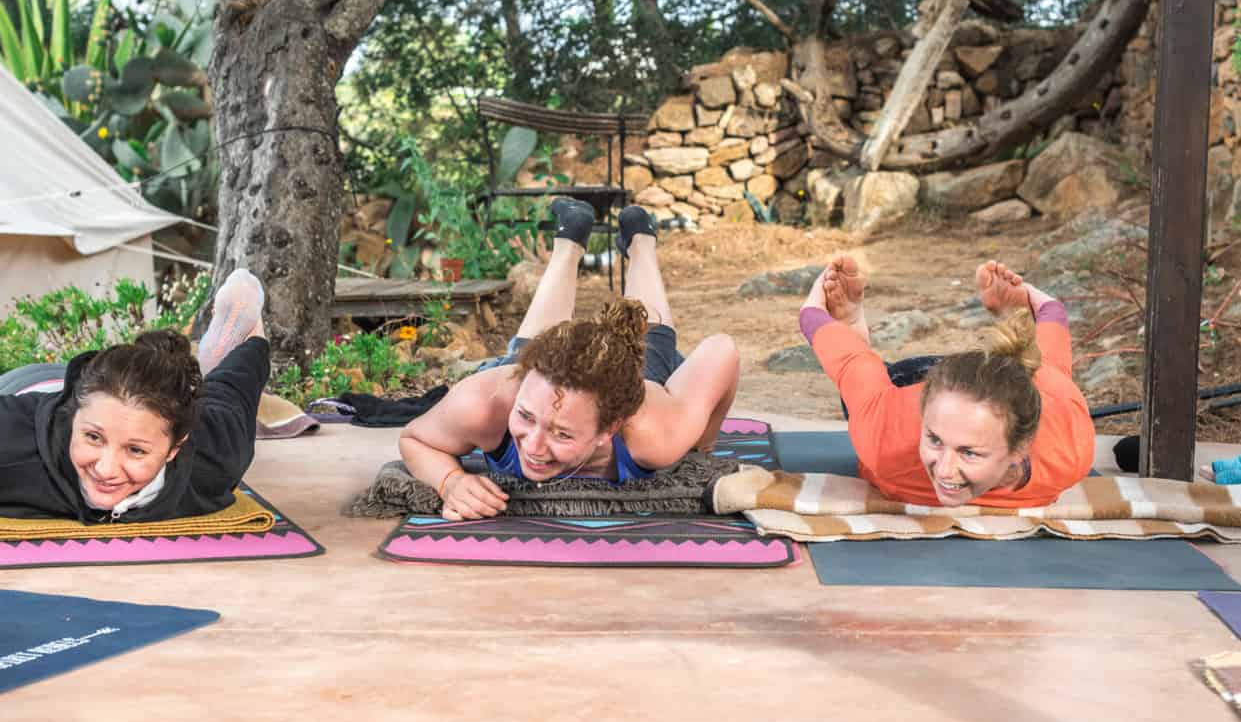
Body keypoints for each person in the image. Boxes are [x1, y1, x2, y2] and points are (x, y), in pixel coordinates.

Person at [399, 200, 741, 520]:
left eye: (561, 434)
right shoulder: (486, 403)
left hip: (636, 392)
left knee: (653, 339)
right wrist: (450, 481)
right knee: (533, 346)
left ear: (609, 430)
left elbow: (722, 351)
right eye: (525, 416)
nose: (533, 447)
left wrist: (698, 449)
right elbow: (414, 439)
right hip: (530, 374)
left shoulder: (655, 433)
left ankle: (641, 240)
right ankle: (569, 241)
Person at [0, 266, 270, 522]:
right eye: (93, 439)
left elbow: (247, 361)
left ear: (177, 448)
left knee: (211, 388)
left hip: (111, 390)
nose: (107, 469)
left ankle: (211, 344)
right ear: (74, 420)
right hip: (25, 388)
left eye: (136, 451)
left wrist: (240, 315)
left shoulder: (216, 455)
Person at [799, 256, 1094, 508]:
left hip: (994, 385)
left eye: (969, 452)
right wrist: (819, 315)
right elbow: (851, 364)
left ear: (1021, 448)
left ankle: (1016, 327)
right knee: (868, 388)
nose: (944, 470)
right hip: (917, 382)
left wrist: (1035, 310)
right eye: (935, 441)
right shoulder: (889, 439)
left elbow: (1050, 360)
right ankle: (851, 329)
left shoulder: (1069, 451)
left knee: (1033, 367)